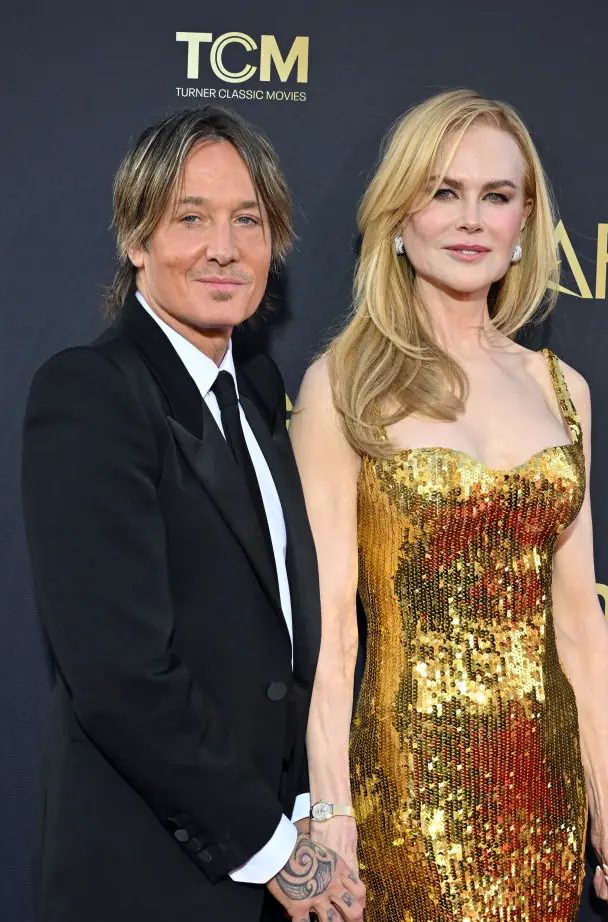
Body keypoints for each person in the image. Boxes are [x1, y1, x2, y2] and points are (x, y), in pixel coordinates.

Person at [290, 89, 608, 922]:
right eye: (443, 191)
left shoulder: (563, 391)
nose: (470, 220)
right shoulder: (343, 387)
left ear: (525, 222)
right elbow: (331, 632)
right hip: (405, 783)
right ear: (396, 214)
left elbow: (578, 626)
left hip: (543, 781)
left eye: (496, 196)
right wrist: (331, 812)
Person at [21, 106, 364, 922]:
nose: (224, 247)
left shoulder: (255, 391)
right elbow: (120, 677)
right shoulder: (92, 392)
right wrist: (277, 852)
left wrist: (313, 814)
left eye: (247, 219)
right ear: (136, 241)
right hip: (150, 871)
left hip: (273, 853)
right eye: (190, 218)